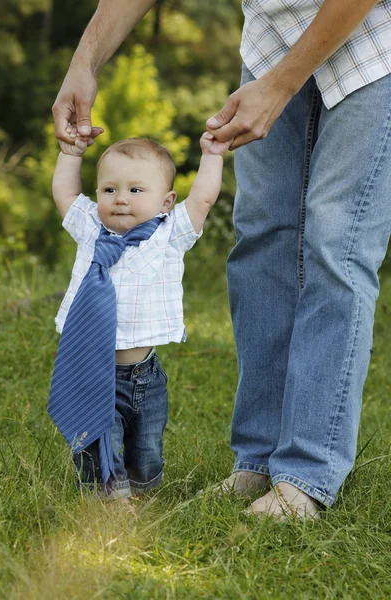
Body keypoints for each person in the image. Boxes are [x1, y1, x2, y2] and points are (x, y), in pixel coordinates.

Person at [52, 0, 391, 519]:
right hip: (271, 37)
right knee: (261, 237)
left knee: (335, 244)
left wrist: (281, 87)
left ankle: (305, 471)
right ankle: (257, 457)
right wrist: (84, 63)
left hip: (371, 40)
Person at [49, 126, 231, 500]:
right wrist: (71, 153)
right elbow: (65, 193)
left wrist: (213, 155)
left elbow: (202, 200)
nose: (120, 199)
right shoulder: (91, 229)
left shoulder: (169, 234)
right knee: (99, 443)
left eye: (135, 190)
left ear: (166, 202)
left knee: (146, 450)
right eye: (109, 189)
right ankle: (108, 502)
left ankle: (146, 498)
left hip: (146, 375)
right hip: (92, 368)